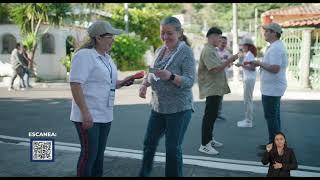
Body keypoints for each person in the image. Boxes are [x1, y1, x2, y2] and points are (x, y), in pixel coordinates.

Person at [69, 20, 135, 177]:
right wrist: (85, 113)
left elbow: (109, 84)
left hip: (105, 115)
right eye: (110, 36)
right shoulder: (84, 56)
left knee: (98, 156)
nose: (113, 40)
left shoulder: (106, 57)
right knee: (89, 156)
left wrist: (123, 82)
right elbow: (75, 85)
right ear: (98, 38)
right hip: (89, 114)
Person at [138, 16, 195, 177]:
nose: (165, 37)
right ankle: (144, 173)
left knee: (172, 149)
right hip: (158, 107)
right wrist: (144, 84)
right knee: (149, 143)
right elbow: (151, 71)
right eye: (162, 33)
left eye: (169, 33)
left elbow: (190, 81)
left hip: (179, 109)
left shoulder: (185, 52)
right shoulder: (159, 51)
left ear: (180, 33)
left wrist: (171, 76)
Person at [197, 27, 241, 155]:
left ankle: (209, 140)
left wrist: (228, 61)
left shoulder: (212, 50)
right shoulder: (208, 51)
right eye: (218, 37)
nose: (220, 39)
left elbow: (217, 67)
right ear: (211, 36)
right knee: (209, 116)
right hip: (211, 87)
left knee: (213, 115)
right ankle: (204, 144)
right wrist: (229, 60)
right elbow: (214, 69)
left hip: (215, 87)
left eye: (221, 37)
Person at [251, 23, 288, 147]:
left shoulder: (276, 48)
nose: (264, 33)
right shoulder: (275, 46)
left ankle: (274, 145)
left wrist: (259, 63)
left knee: (271, 118)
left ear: (273, 33)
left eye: (266, 31)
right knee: (274, 117)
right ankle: (274, 143)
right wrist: (261, 63)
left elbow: (275, 68)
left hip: (272, 88)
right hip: (272, 87)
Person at [235, 38, 257, 128]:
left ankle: (248, 121)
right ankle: (247, 119)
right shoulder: (248, 55)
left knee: (248, 100)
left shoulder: (250, 55)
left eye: (243, 45)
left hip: (249, 79)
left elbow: (252, 68)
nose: (242, 47)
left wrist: (241, 65)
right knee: (247, 100)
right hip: (248, 79)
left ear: (248, 46)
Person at [216, 36, 232, 121]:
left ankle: (218, 113)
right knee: (213, 96)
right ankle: (211, 113)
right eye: (222, 42)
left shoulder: (227, 53)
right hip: (214, 78)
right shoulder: (214, 52)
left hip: (224, 78)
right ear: (219, 42)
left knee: (220, 97)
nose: (223, 44)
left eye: (225, 43)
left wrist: (228, 63)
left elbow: (229, 65)